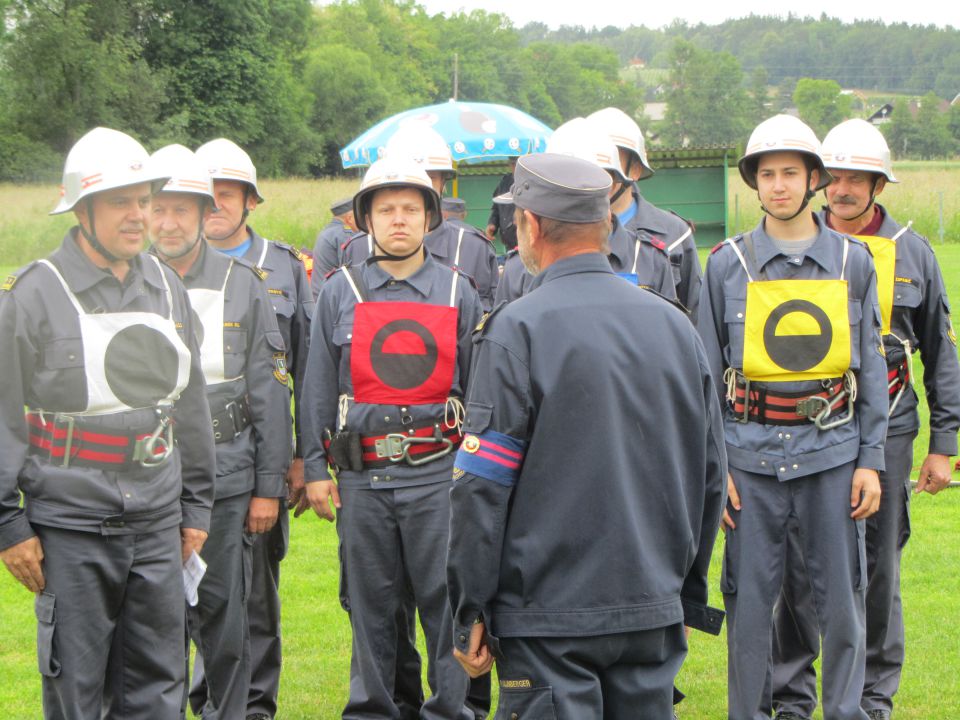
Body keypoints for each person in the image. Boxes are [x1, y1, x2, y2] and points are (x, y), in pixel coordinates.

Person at [447, 152, 726, 718]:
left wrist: (469, 606)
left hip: (546, 616)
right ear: (606, 225)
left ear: (532, 225)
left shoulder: (516, 328)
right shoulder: (675, 324)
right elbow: (710, 474)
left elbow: (482, 487)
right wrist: (684, 596)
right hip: (652, 605)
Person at [0, 127, 216, 719]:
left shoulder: (168, 288)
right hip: (70, 529)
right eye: (121, 201)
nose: (138, 215)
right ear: (83, 208)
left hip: (157, 524)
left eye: (143, 200)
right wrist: (8, 526)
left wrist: (196, 509)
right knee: (78, 693)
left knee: (159, 688)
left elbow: (190, 408)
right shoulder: (32, 294)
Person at [697, 114, 888, 720]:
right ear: (755, 183)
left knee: (843, 608)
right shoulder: (726, 264)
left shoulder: (854, 262)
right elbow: (705, 377)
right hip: (749, 462)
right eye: (767, 174)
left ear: (814, 180)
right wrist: (717, 466)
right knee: (750, 610)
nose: (778, 186)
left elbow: (872, 371)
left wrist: (872, 462)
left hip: (833, 455)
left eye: (791, 173)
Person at [770, 119, 960, 720]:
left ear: (879, 184)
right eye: (838, 176)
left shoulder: (915, 252)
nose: (844, 188)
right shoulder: (800, 243)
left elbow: (941, 352)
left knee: (879, 563)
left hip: (892, 430)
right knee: (797, 561)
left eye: (859, 177)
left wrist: (943, 442)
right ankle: (792, 696)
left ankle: (873, 698)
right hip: (809, 428)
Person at [302, 157, 480, 720]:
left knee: (442, 601)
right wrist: (313, 469)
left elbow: (479, 392)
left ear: (430, 218)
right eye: (386, 210)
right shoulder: (339, 291)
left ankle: (450, 710)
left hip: (438, 475)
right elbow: (316, 388)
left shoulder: (459, 292)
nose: (398, 220)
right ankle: (375, 710)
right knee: (371, 606)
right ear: (366, 219)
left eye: (410, 209)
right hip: (363, 477)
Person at [147, 144, 291, 719]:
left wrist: (268, 485)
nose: (169, 223)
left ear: (205, 213)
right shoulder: (126, 283)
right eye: (158, 210)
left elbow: (268, 389)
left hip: (227, 481)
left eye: (183, 210)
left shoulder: (242, 282)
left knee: (223, 614)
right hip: (149, 481)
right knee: (153, 620)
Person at [194, 137, 312, 720]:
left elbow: (305, 369)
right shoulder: (169, 268)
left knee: (254, 596)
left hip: (260, 456)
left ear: (250, 201)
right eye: (205, 195)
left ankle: (254, 707)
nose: (214, 205)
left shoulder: (286, 266)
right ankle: (202, 697)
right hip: (193, 460)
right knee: (193, 593)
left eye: (226, 195)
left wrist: (298, 460)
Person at [494, 117, 676, 307]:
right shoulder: (519, 267)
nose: (576, 189)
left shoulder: (651, 260)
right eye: (562, 181)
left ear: (612, 184)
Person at [341, 123, 499, 312]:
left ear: (443, 184)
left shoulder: (473, 247)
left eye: (429, 177)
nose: (419, 183)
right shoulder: (357, 247)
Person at [589, 107, 702, 319]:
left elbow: (695, 316)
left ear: (635, 170)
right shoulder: (561, 232)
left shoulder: (674, 234)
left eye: (611, 159)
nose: (598, 169)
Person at [311, 195, 358, 299]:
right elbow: (354, 273)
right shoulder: (345, 235)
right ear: (349, 218)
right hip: (333, 298)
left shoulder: (327, 231)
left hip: (321, 295)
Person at [485, 156, 518, 251]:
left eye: (517, 164)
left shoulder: (532, 182)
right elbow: (496, 207)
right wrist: (492, 223)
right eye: (513, 164)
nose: (514, 167)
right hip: (509, 243)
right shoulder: (505, 181)